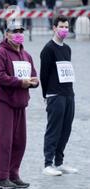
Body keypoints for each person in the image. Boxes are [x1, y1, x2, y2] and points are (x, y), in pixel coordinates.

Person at [0, 20, 39, 189]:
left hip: (21, 102)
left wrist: (33, 82)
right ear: (6, 34)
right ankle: (1, 177)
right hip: (4, 102)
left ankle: (13, 173)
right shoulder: (0, 54)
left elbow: (33, 75)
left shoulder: (27, 56)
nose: (18, 34)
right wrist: (20, 82)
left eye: (20, 31)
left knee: (20, 140)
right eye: (14, 31)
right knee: (4, 140)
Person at [40, 15, 78, 176]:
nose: (64, 30)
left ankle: (59, 162)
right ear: (54, 28)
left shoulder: (67, 49)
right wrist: (46, 95)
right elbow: (44, 74)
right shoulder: (48, 49)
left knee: (66, 129)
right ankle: (48, 163)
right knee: (54, 129)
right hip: (55, 94)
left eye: (66, 27)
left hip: (69, 93)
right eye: (61, 26)